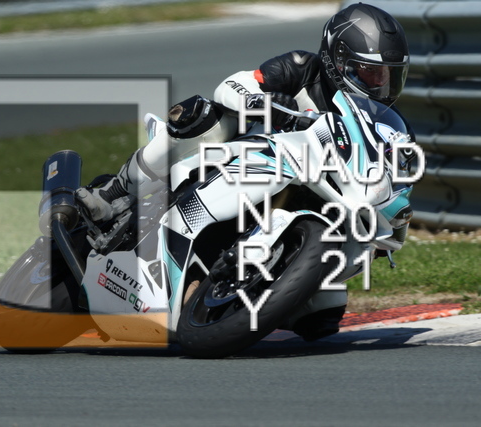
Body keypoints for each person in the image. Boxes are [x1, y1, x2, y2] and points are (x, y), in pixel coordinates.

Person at [75, 2, 412, 340]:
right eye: (369, 72)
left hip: (316, 199)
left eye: (388, 75)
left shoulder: (386, 127)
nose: (380, 84)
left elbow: (398, 184)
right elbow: (232, 87)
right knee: (202, 116)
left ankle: (229, 293)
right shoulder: (301, 67)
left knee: (321, 319)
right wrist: (265, 104)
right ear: (336, 61)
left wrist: (388, 218)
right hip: (246, 159)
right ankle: (114, 192)